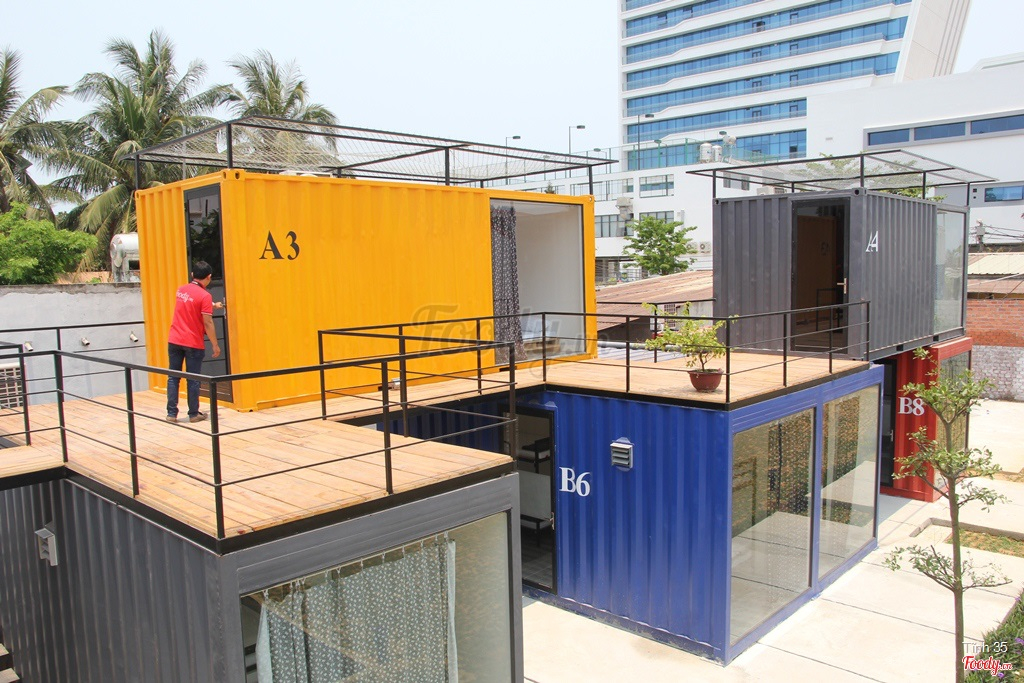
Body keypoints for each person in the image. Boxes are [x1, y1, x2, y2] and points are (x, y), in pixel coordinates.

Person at [166, 261, 224, 423]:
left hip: (174, 340)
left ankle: (171, 414)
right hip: (192, 342)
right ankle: (193, 414)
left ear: (192, 275)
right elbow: (208, 322)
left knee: (173, 377)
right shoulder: (205, 295)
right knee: (193, 378)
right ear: (209, 277)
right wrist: (215, 344)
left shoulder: (181, 290)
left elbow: (192, 301)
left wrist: (213, 305)